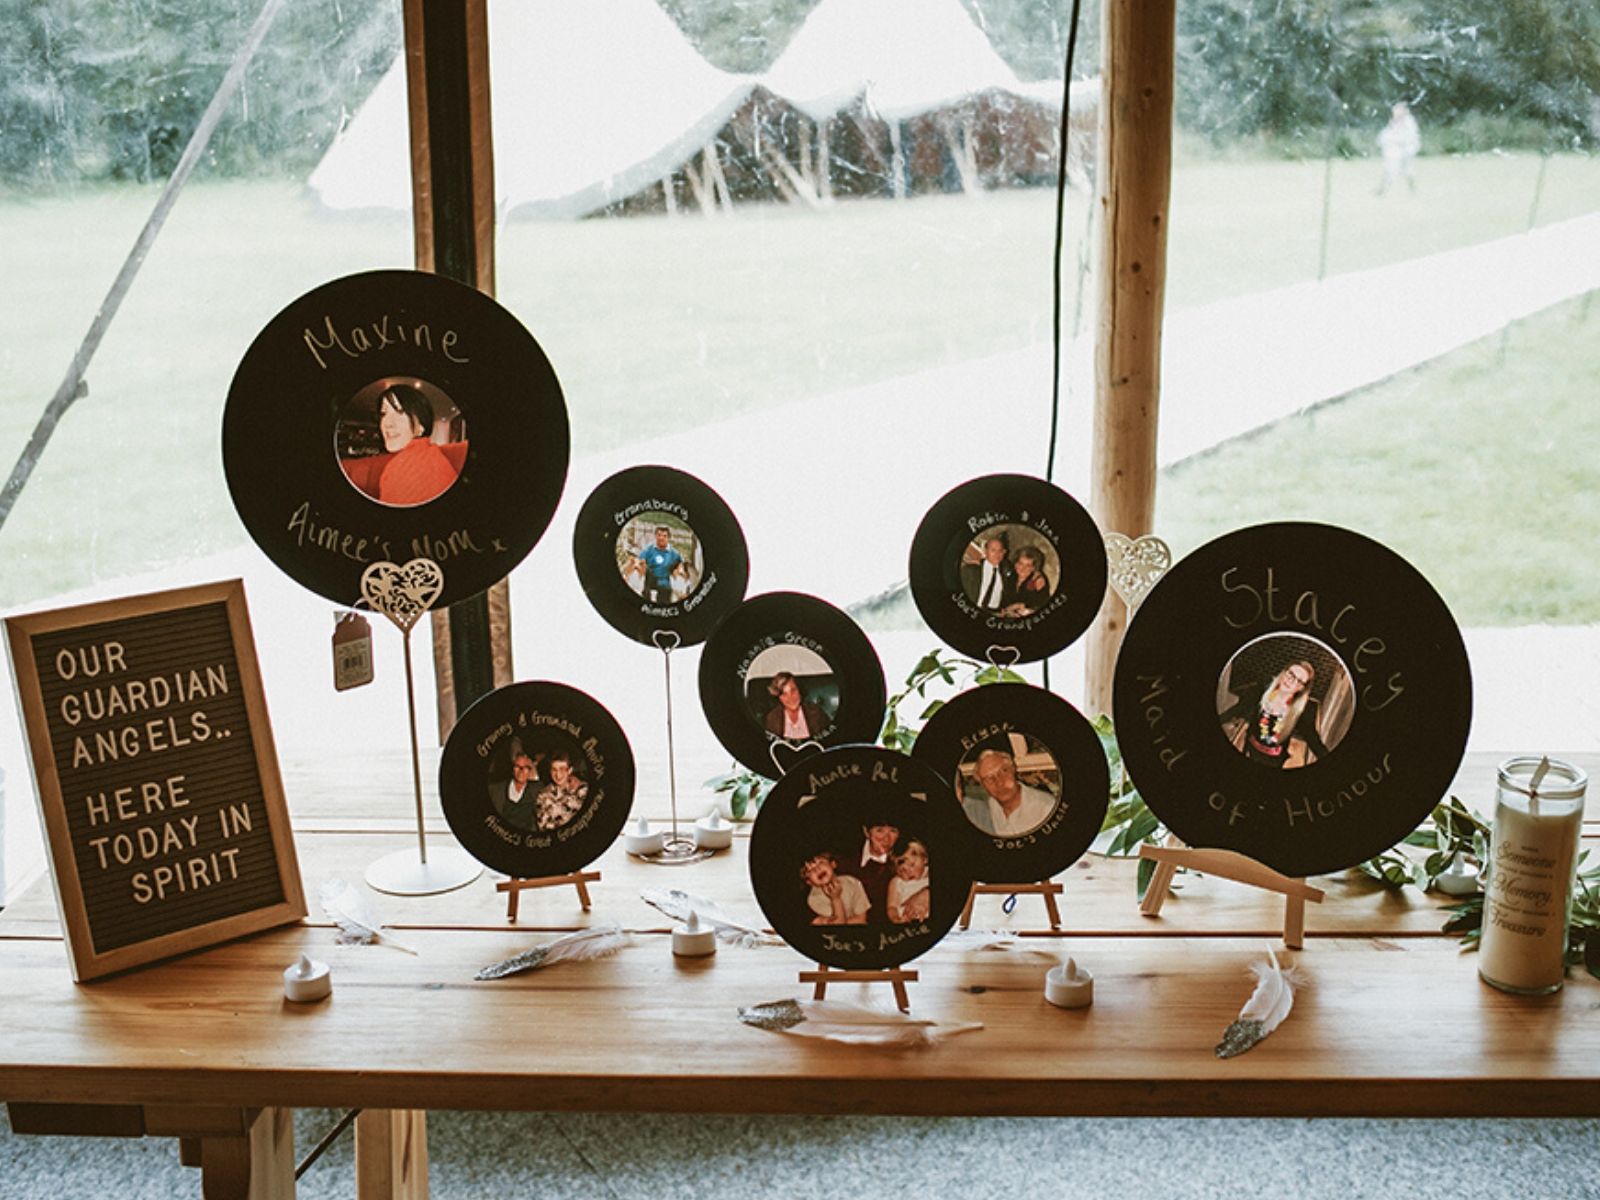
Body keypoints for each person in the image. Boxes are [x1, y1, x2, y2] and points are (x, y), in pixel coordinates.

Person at [350, 385, 459, 507]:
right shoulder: (421, 455)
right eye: (384, 413)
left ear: (420, 427)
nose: (387, 423)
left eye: (400, 412)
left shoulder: (418, 465)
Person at [1219, 660, 1331, 769]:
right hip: (1251, 746)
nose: (1291, 680)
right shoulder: (1263, 689)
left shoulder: (1303, 711)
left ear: (1301, 688)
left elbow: (1313, 739)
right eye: (1290, 674)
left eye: (1299, 680)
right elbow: (1239, 709)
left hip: (1274, 759)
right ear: (1284, 671)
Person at [963, 747, 1057, 836]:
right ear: (983, 786)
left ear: (1013, 769)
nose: (999, 782)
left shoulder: (1046, 808)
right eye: (989, 778)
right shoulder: (991, 805)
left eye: (1004, 771)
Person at [841, 819, 900, 920]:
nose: (886, 839)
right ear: (866, 832)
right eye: (879, 830)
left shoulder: (903, 861)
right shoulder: (844, 857)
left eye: (893, 831)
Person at [801, 852, 869, 925]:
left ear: (833, 864)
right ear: (809, 882)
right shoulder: (813, 899)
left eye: (820, 862)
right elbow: (838, 925)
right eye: (809, 871)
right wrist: (835, 899)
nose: (817, 869)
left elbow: (861, 920)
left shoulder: (852, 882)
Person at [627, 525, 689, 604]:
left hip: (665, 580)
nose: (661, 538)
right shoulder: (649, 549)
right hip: (650, 578)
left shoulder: (674, 553)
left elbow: (681, 566)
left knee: (665, 594)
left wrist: (680, 574)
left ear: (668, 538)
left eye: (664, 536)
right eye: (659, 535)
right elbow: (639, 561)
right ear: (655, 536)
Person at [763, 671, 830, 742]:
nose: (791, 697)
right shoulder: (772, 718)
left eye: (793, 690)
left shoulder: (817, 713)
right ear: (779, 698)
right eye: (784, 694)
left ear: (799, 690)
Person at [534, 751, 588, 830]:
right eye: (554, 770)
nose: (558, 774)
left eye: (562, 769)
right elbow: (543, 827)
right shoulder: (543, 795)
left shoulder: (582, 790)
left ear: (570, 770)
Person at [960, 535, 1015, 612]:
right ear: (986, 551)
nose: (997, 554)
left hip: (993, 613)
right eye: (993, 550)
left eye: (1000, 550)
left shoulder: (1007, 573)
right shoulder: (971, 570)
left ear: (1004, 553)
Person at [488, 751, 541, 830]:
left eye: (526, 767)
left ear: (530, 771)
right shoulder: (495, 790)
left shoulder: (538, 789)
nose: (521, 771)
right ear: (512, 769)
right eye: (517, 766)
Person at [1376, 102, 1420, 195]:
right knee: (1389, 170)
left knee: (1406, 171)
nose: (1395, 113)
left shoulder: (1409, 122)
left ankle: (1413, 190)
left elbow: (1409, 138)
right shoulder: (1394, 122)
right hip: (1396, 151)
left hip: (1404, 150)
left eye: (1397, 110)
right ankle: (1382, 190)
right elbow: (1386, 134)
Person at [886, 838, 930, 924]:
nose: (908, 872)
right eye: (902, 870)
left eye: (912, 865)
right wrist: (895, 919)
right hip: (906, 922)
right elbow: (891, 907)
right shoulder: (897, 882)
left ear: (925, 859)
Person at [999, 545, 1052, 617]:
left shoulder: (1037, 580)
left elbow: (1041, 605)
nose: (1023, 568)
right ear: (1015, 564)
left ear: (1033, 568)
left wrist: (1018, 606)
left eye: (1028, 565)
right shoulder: (1011, 577)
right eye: (1020, 563)